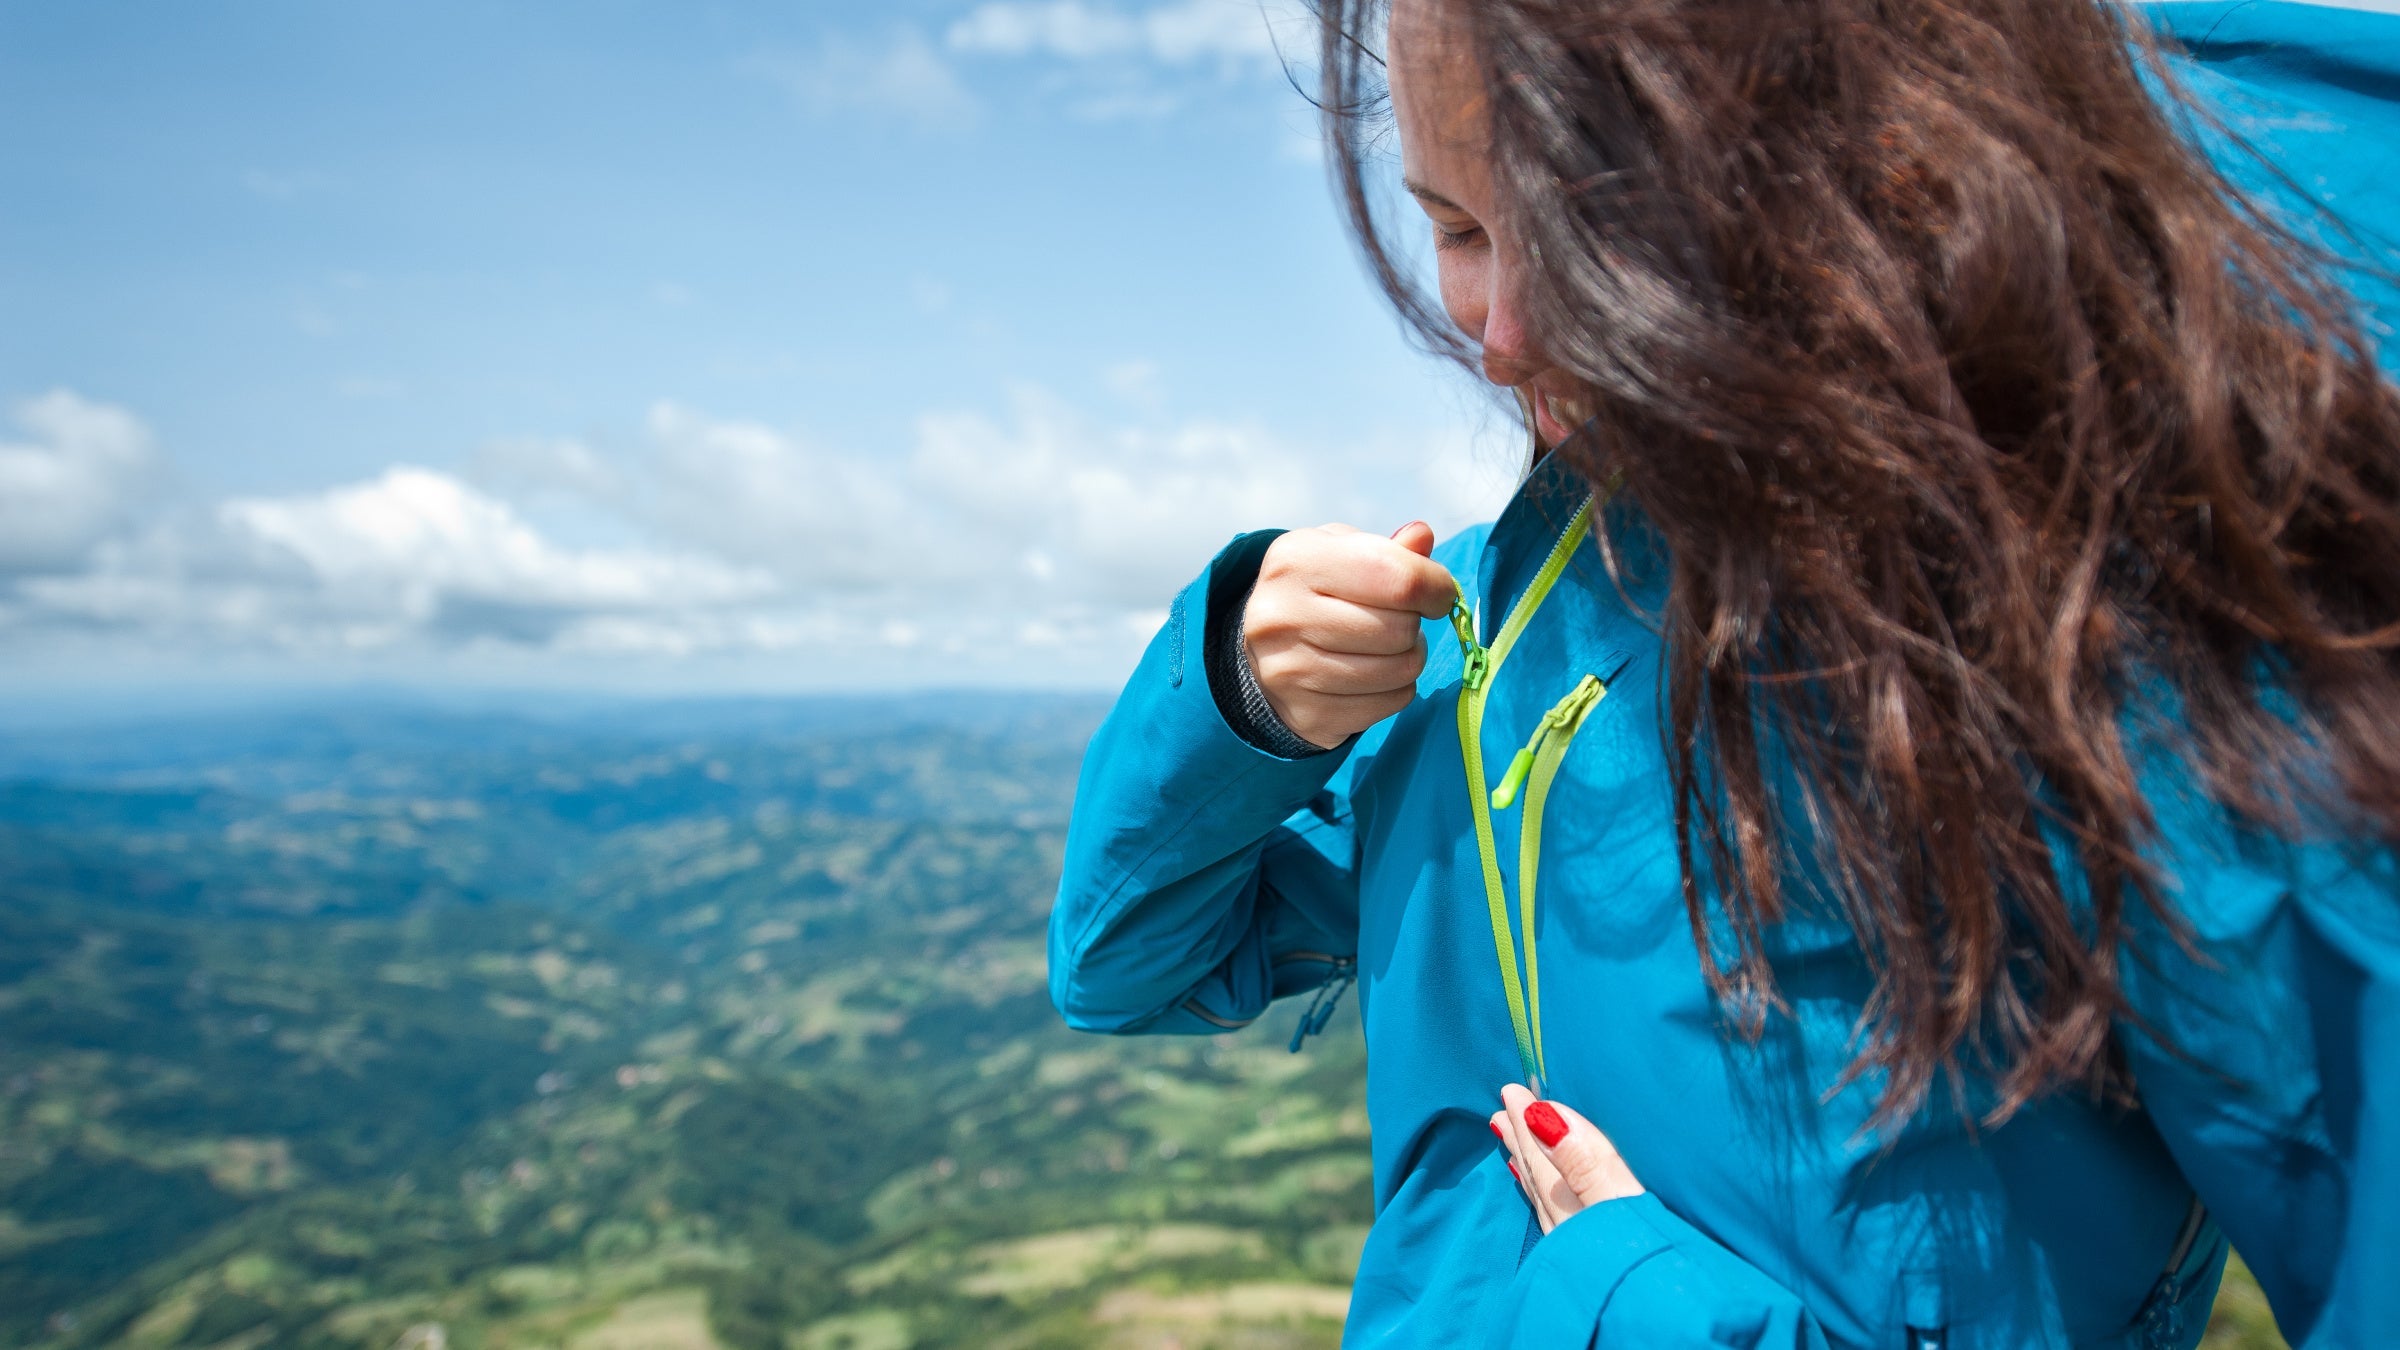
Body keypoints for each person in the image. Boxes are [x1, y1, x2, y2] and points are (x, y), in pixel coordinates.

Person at [1049, 0, 2400, 1345]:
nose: (1501, 330)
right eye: (1454, 227)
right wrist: (1230, 696)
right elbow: (1128, 962)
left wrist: (1648, 1311)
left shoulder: (2090, 634)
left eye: (1589, 222)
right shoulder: (1481, 624)